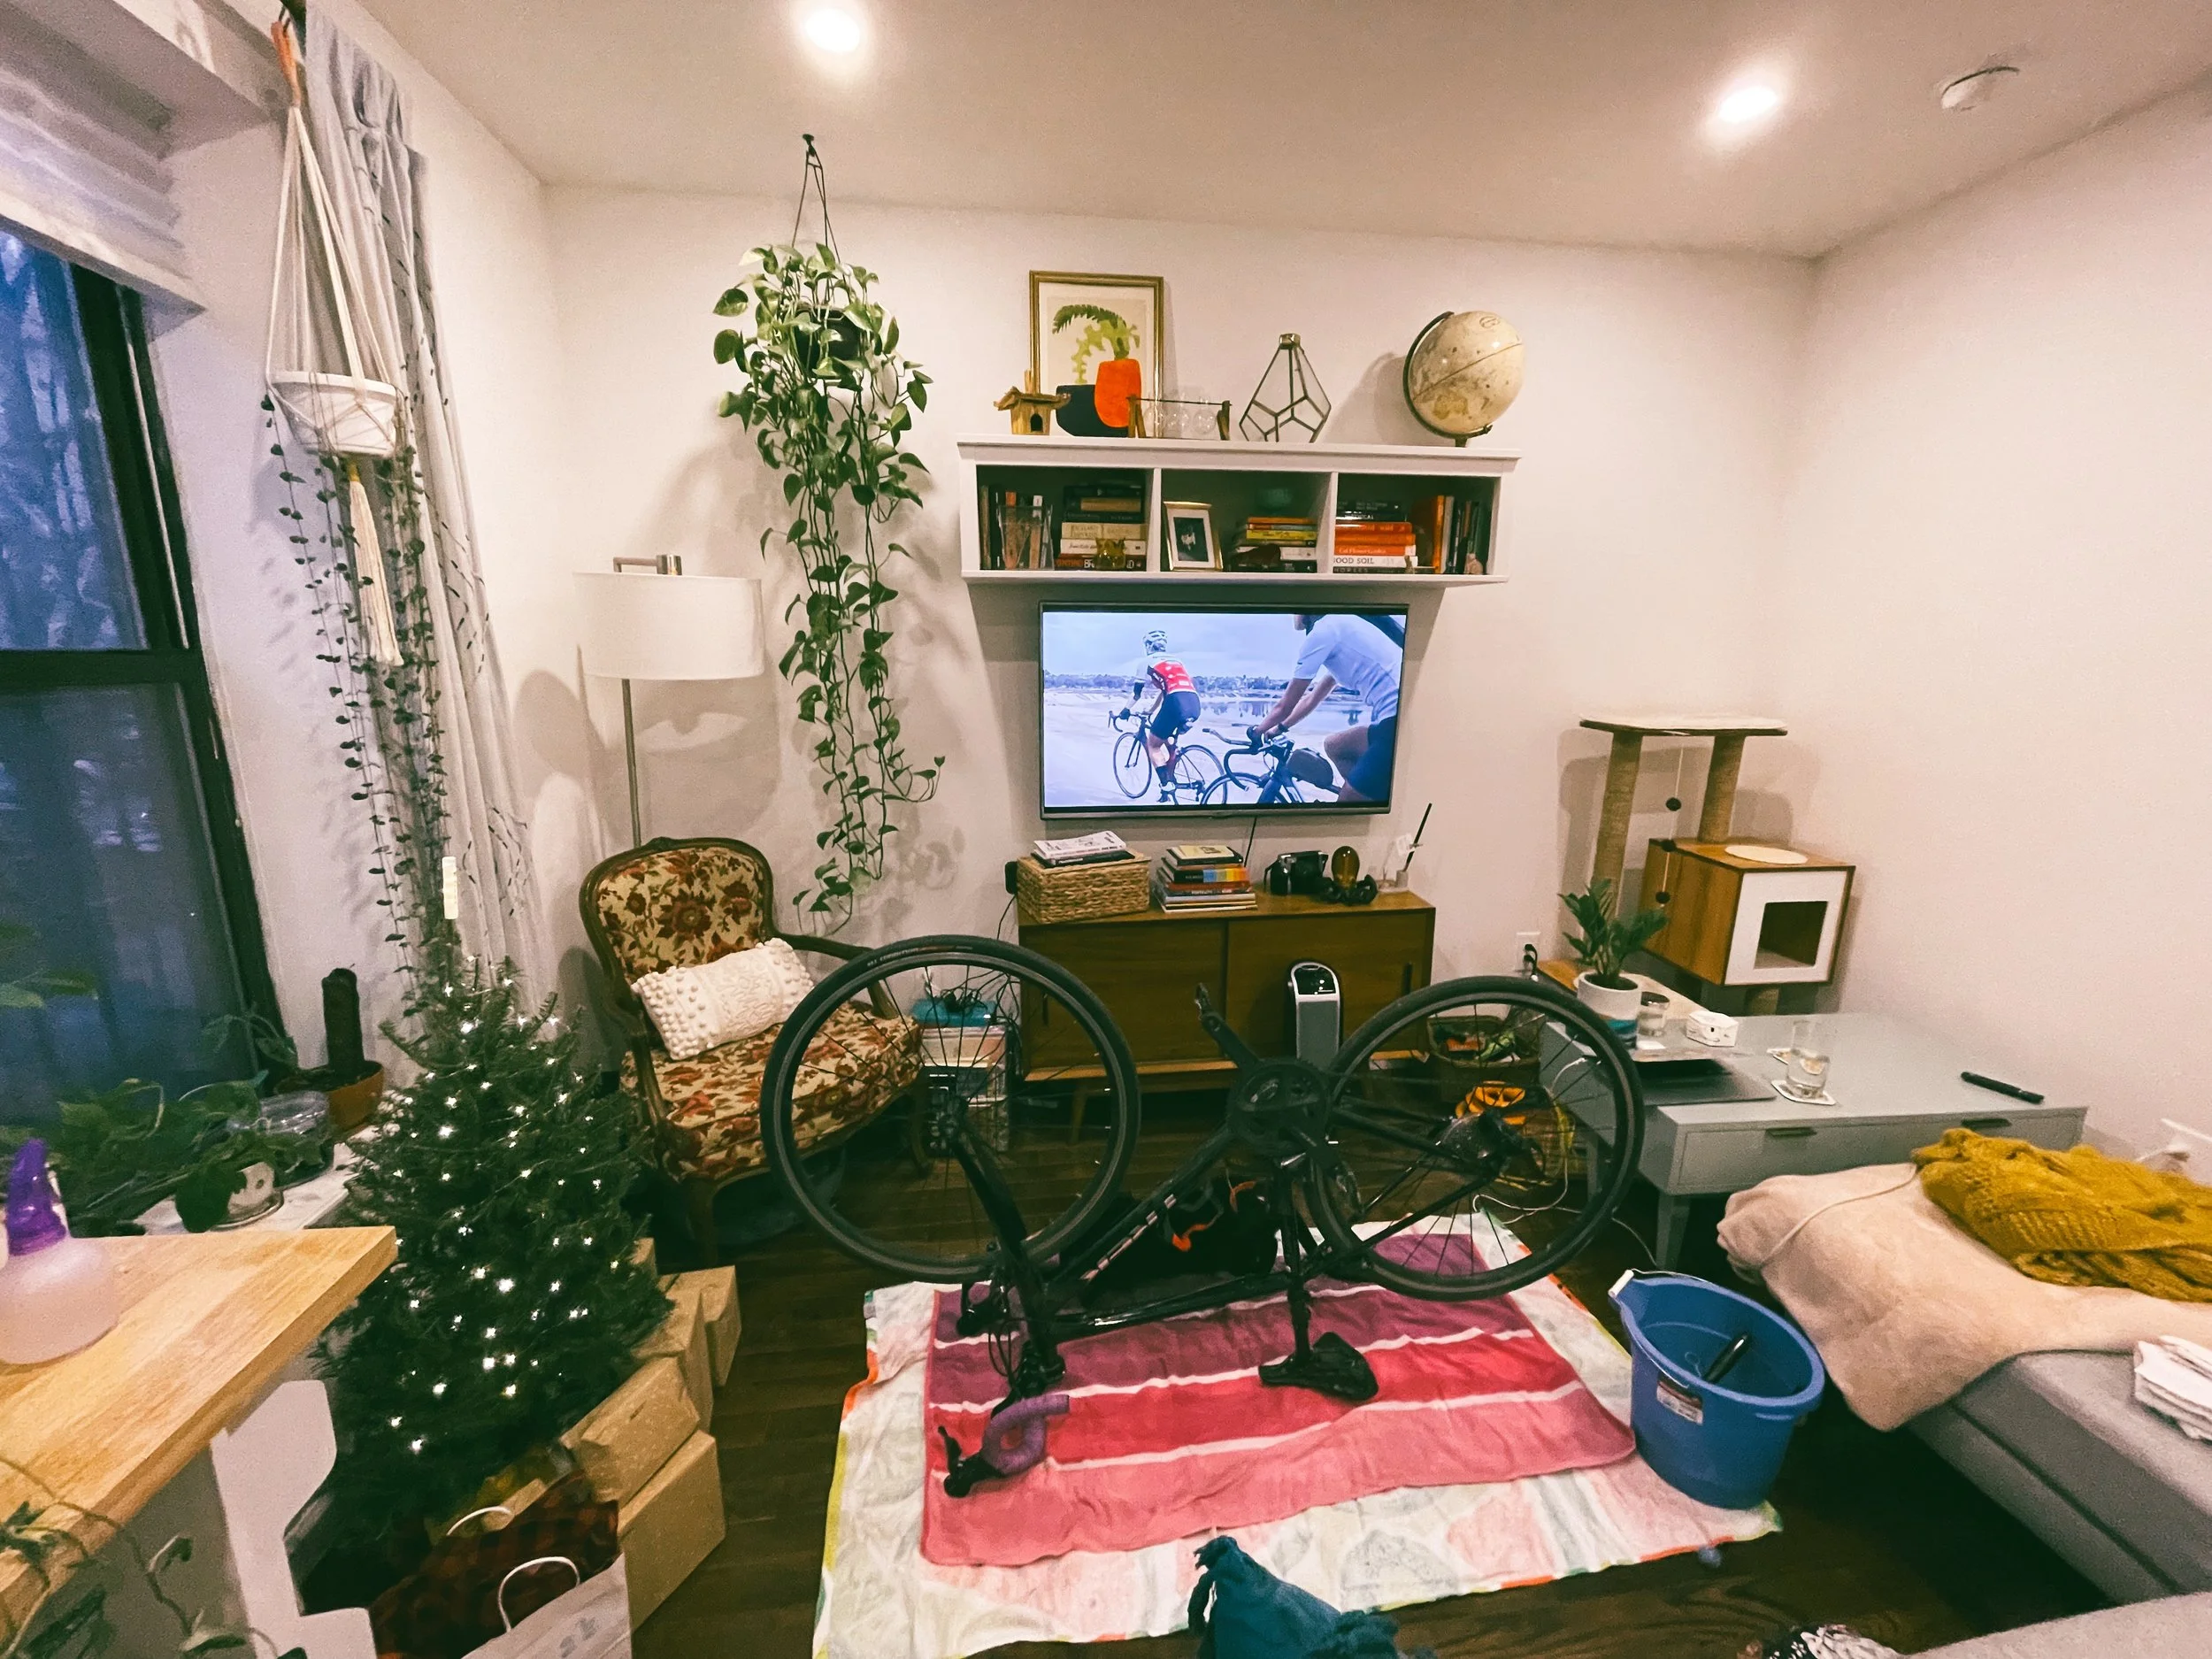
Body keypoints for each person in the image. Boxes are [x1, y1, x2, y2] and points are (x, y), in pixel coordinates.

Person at [1250, 613, 1402, 803]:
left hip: (1397, 722)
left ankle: (1355, 798)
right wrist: (1277, 729)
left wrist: (1256, 732)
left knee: (1347, 803)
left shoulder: (1323, 632)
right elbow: (1311, 699)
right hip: (1391, 719)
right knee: (1334, 745)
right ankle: (1364, 792)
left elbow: (1285, 706)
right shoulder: (1338, 630)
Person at [1126, 628, 1201, 802]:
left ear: (1148, 646)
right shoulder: (1177, 661)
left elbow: (1136, 694)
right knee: (1166, 735)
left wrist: (1125, 710)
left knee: (1153, 745)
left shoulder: (1146, 662)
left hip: (1175, 702)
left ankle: (1167, 785)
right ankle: (1174, 761)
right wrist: (1151, 710)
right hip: (1194, 702)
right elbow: (1165, 691)